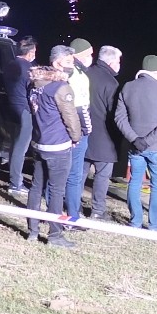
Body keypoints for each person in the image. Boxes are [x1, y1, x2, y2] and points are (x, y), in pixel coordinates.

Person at [25, 47, 82, 246]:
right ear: (57, 63)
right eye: (69, 61)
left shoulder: (34, 84)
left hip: (39, 143)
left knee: (36, 187)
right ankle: (55, 235)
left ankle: (32, 231)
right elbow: (71, 118)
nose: (72, 65)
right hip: (58, 146)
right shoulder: (61, 87)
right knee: (57, 190)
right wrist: (76, 136)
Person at [114, 54, 157, 231]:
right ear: (156, 71)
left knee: (135, 182)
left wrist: (134, 139)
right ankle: (155, 224)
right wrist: (147, 141)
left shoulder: (128, 87)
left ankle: (135, 221)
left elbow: (120, 117)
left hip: (135, 146)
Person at [81, 45, 123, 219]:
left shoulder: (85, 74)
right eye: (119, 61)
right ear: (112, 62)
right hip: (104, 136)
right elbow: (114, 113)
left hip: (83, 133)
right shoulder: (111, 83)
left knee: (79, 173)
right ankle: (98, 210)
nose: (120, 64)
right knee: (102, 175)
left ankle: (71, 204)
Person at [60, 37, 93, 222]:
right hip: (76, 132)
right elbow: (80, 109)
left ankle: (54, 209)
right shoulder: (77, 75)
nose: (92, 58)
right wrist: (85, 131)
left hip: (65, 130)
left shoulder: (71, 72)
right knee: (74, 175)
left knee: (60, 174)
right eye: (89, 54)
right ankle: (73, 215)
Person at [2, 36, 37, 198]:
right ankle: (16, 183)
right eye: (34, 51)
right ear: (29, 53)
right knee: (20, 148)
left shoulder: (10, 64)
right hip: (24, 110)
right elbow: (32, 91)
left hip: (10, 107)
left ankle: (14, 179)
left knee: (14, 145)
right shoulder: (29, 69)